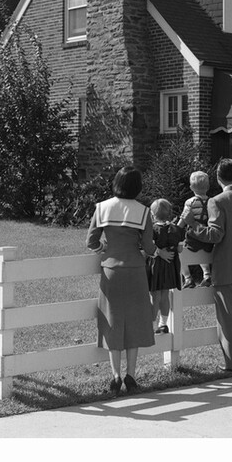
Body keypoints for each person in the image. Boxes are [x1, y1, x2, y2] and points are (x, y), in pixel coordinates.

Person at [86, 166, 174, 395]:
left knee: (113, 322)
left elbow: (91, 241)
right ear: (137, 186)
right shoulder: (143, 212)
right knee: (134, 322)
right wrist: (156, 252)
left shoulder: (102, 207)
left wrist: (103, 248)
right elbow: (147, 246)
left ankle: (115, 375)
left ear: (116, 183)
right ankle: (131, 375)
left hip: (111, 270)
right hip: (135, 270)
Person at [184, 158, 232, 375]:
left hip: (226, 266)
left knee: (227, 318)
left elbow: (215, 235)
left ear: (218, 177)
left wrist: (192, 225)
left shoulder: (216, 201)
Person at [147, 198, 184, 334]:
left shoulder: (152, 229)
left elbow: (149, 247)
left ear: (152, 214)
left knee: (154, 296)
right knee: (165, 295)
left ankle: (152, 325)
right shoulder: (177, 229)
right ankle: (164, 324)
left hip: (156, 265)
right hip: (170, 265)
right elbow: (180, 249)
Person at [176, 170, 214, 288]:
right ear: (208, 186)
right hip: (207, 239)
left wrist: (175, 229)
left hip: (193, 239)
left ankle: (187, 278)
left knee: (181, 256)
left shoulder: (190, 202)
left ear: (191, 187)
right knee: (203, 256)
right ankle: (207, 276)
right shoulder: (212, 202)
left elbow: (183, 220)